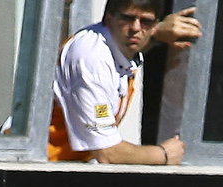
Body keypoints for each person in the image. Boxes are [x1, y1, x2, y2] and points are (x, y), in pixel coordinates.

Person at [48, 0, 201, 164]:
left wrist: (157, 33)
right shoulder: (91, 59)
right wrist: (163, 155)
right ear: (109, 18)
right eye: (127, 18)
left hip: (72, 166)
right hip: (42, 168)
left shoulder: (118, 42)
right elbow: (107, 153)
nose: (136, 28)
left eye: (146, 21)